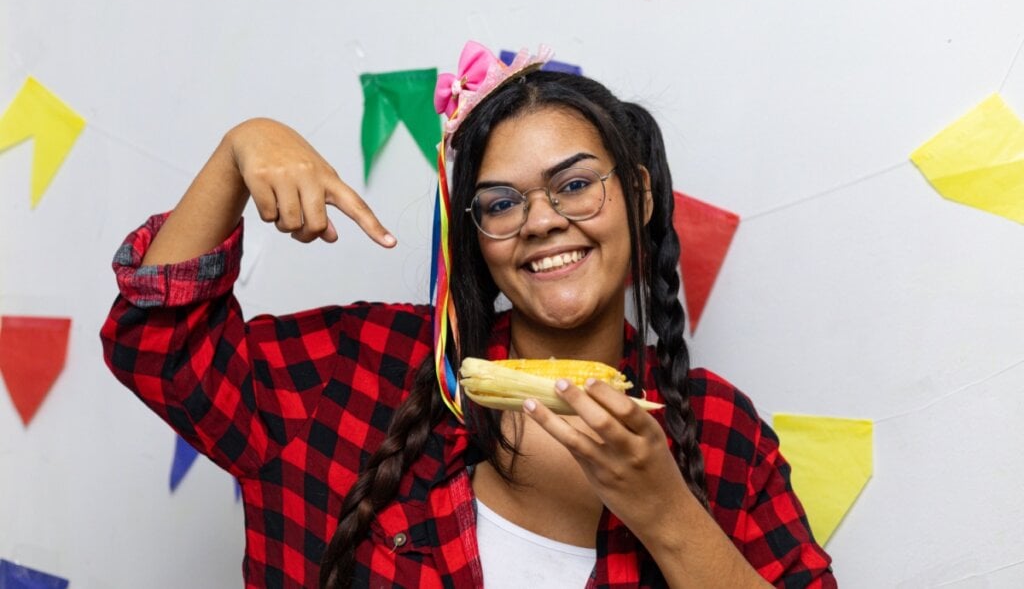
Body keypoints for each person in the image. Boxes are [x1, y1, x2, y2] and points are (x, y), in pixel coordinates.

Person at [101, 42, 836, 588]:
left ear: (639, 197)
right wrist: (240, 149)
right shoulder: (361, 369)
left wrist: (667, 512)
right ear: (474, 237)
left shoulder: (718, 435)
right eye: (501, 203)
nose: (542, 220)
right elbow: (158, 348)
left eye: (575, 184)